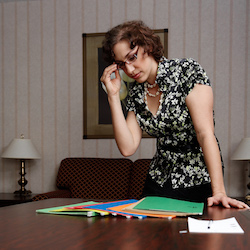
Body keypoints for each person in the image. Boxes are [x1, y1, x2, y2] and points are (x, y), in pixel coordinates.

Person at [100, 20, 249, 209]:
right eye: (122, 64)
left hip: (197, 179)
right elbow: (128, 148)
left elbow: (205, 135)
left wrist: (219, 191)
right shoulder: (137, 93)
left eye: (132, 57)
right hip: (158, 181)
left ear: (148, 46)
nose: (129, 70)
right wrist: (113, 97)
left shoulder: (187, 72)